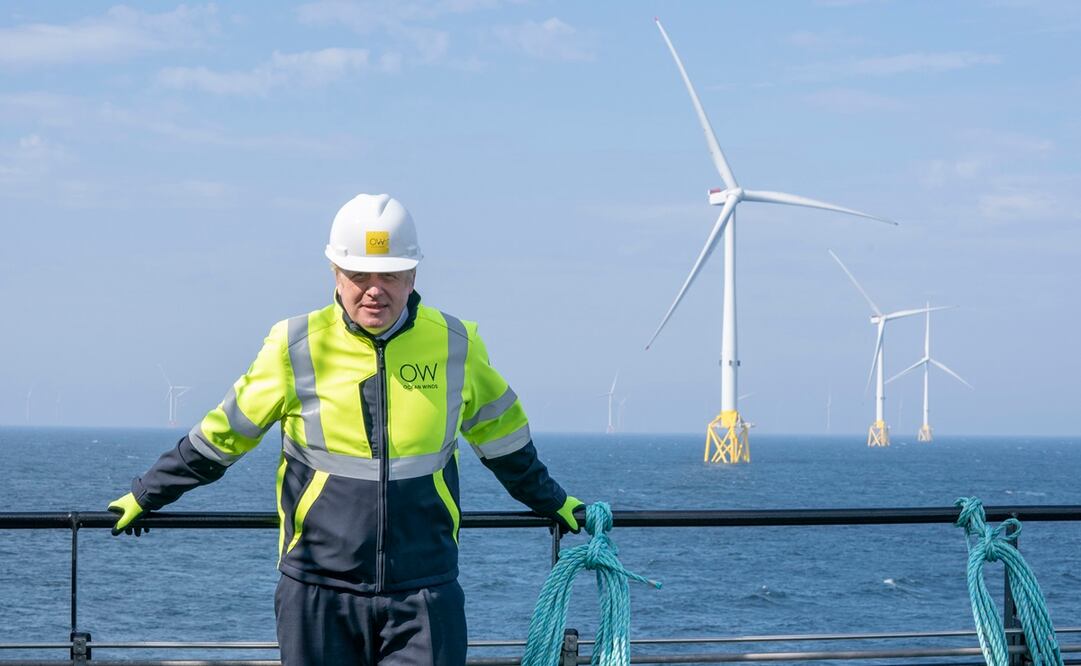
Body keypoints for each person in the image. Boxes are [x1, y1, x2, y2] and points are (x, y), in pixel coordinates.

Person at [108, 193, 583, 665]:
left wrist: (553, 500)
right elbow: (223, 436)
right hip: (318, 590)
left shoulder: (456, 343)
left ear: (413, 275)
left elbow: (505, 440)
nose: (374, 289)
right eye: (359, 275)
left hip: (425, 591)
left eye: (390, 275)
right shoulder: (293, 345)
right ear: (335, 273)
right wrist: (148, 493)